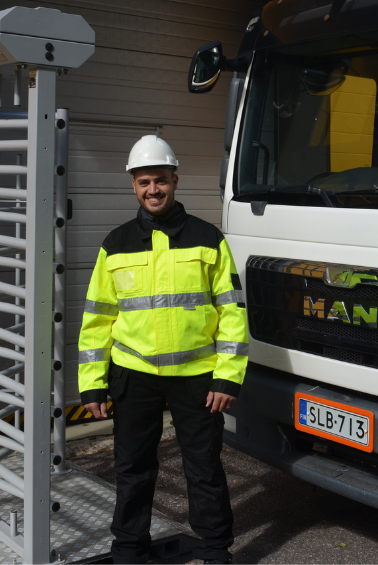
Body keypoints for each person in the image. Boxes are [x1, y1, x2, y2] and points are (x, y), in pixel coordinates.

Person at [77, 135, 248, 564]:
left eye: (160, 180)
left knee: (204, 470)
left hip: (198, 378)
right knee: (133, 469)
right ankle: (129, 548)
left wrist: (228, 375)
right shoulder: (114, 244)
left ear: (175, 179)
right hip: (134, 376)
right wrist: (92, 386)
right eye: (143, 182)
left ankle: (215, 550)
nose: (153, 190)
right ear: (133, 186)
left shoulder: (209, 239)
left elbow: (232, 313)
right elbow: (97, 320)